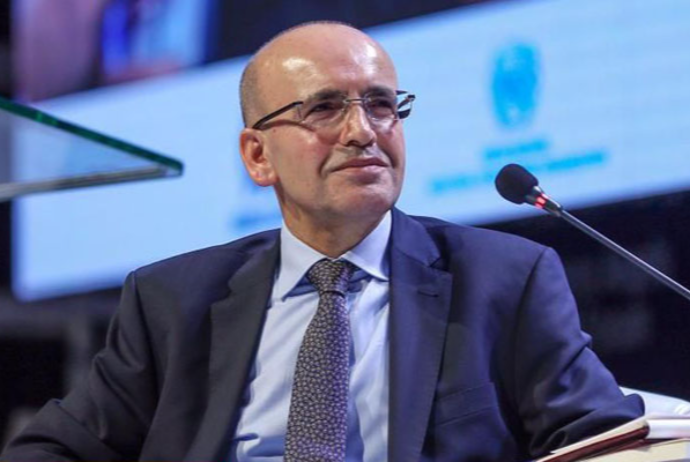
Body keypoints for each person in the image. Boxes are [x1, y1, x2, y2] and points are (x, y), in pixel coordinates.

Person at [2, 22, 642, 462]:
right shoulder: (171, 299)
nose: (363, 131)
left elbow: (605, 441)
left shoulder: (504, 278)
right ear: (258, 156)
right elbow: (51, 450)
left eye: (381, 105)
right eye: (324, 109)